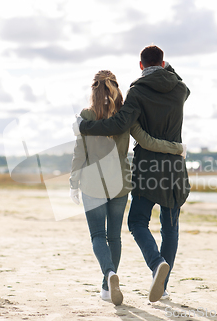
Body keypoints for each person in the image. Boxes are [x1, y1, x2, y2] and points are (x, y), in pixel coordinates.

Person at [73, 45, 190, 302]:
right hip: (175, 168)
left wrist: (85, 126)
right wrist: (177, 148)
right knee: (170, 228)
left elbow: (121, 125)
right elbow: (178, 81)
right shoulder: (181, 90)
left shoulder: (137, 92)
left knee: (137, 222)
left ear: (140, 65)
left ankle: (153, 264)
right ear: (163, 64)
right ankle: (164, 285)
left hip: (148, 167)